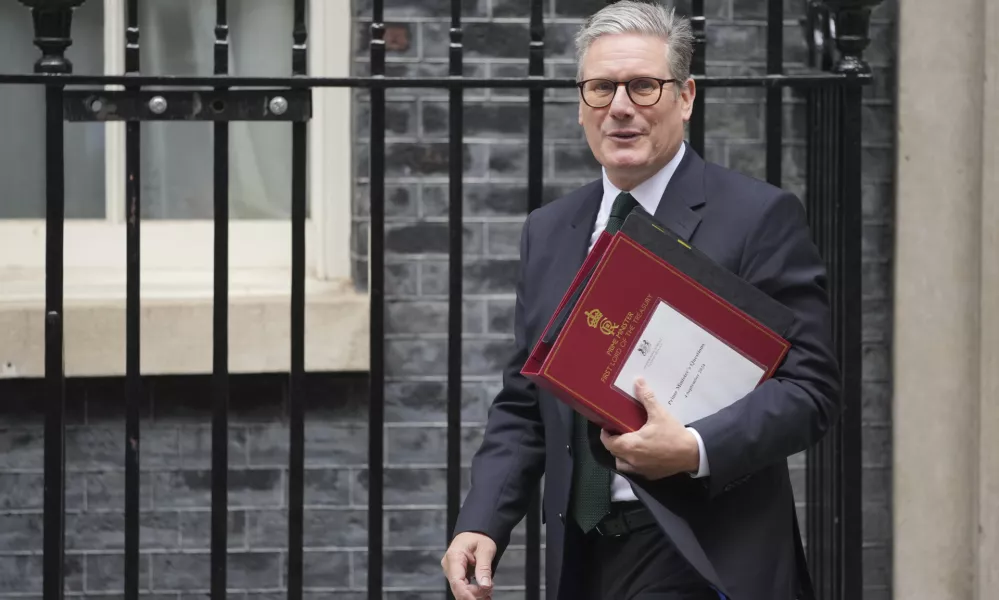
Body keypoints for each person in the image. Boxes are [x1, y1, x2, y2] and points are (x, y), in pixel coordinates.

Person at [440, 2, 839, 599]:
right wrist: (483, 519)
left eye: (644, 86)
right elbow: (527, 400)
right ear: (581, 105)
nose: (620, 106)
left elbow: (810, 391)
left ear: (685, 97)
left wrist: (694, 449)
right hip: (583, 556)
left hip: (699, 552)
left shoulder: (756, 218)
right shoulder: (550, 231)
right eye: (601, 88)